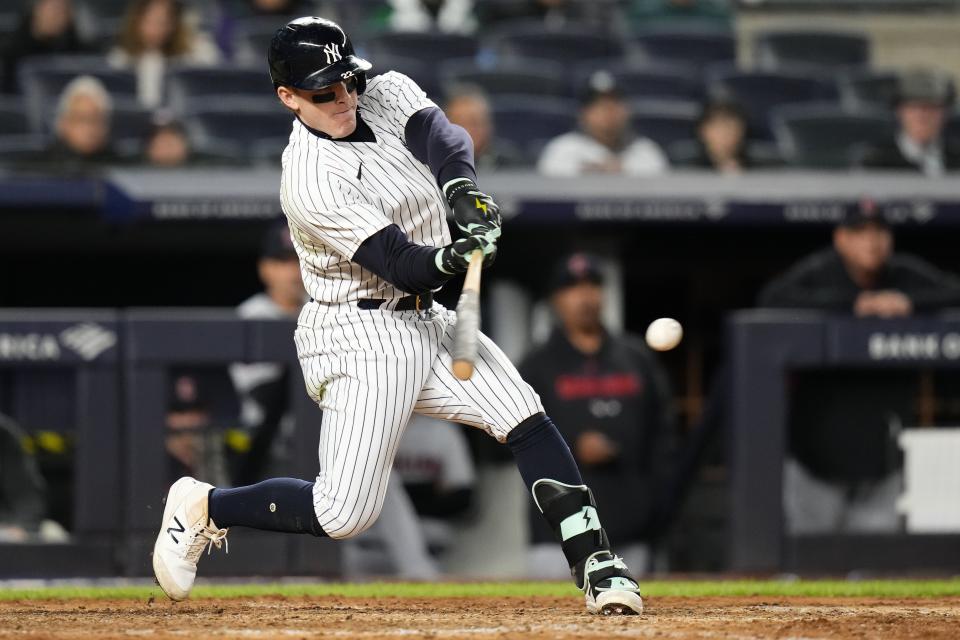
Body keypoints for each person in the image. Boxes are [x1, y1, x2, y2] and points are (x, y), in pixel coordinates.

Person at [152, 17, 644, 616]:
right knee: (343, 514)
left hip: (424, 317)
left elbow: (444, 135)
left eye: (346, 82)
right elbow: (400, 264)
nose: (342, 98)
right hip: (358, 332)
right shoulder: (309, 179)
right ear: (288, 97)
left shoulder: (380, 89)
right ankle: (203, 505)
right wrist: (457, 253)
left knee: (524, 414)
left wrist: (461, 191)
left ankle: (596, 561)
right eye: (322, 91)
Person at [758, 201, 960, 534]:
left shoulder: (903, 275)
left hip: (880, 465)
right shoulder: (820, 272)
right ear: (841, 239)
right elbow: (772, 298)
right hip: (816, 462)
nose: (872, 241)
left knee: (875, 571)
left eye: (880, 231)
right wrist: (852, 305)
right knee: (810, 569)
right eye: (860, 232)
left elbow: (953, 290)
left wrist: (910, 303)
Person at [520, 254, 675, 577]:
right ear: (556, 300)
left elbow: (663, 435)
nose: (585, 296)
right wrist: (572, 447)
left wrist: (656, 505)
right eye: (573, 288)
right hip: (557, 530)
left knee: (631, 617)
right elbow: (504, 439)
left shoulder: (635, 358)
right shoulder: (537, 364)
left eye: (593, 286)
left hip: (630, 524)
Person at [227, 224, 306, 485]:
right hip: (264, 446)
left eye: (299, 259)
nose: (293, 271)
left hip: (322, 438)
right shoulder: (251, 316)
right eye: (283, 262)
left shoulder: (325, 310)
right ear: (265, 269)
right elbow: (263, 394)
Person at [538, 71, 668, 177]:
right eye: (599, 106)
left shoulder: (646, 152)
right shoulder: (562, 150)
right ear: (583, 114)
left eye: (614, 104)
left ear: (627, 111)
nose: (608, 112)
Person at [108, 0, 220, 108]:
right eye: (148, 21)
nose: (155, 30)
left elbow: (211, 74)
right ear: (136, 22)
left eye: (162, 22)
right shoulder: (120, 57)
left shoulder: (193, 54)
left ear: (174, 25)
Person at [860, 69, 960, 175]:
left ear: (945, 112)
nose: (922, 115)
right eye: (914, 107)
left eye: (932, 107)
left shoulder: (956, 157)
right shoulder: (876, 161)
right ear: (899, 111)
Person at [1, 0, 89, 94]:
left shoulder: (79, 51)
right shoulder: (11, 50)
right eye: (50, 8)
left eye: (61, 10)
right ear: (36, 9)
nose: (54, 15)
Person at [41, 75, 121, 171]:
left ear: (105, 126)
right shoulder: (39, 167)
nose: (88, 129)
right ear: (63, 123)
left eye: (95, 120)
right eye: (80, 119)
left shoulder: (120, 168)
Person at [443, 85, 522, 171]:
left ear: (488, 126)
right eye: (459, 124)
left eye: (474, 123)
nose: (467, 131)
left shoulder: (511, 164)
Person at [679, 98, 754, 173]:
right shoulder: (683, 165)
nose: (726, 135)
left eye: (733, 127)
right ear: (703, 130)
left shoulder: (759, 163)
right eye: (719, 128)